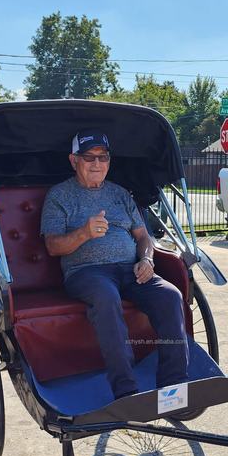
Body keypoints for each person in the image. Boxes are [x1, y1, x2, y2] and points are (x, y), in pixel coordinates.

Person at [40, 129, 189, 398]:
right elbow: (52, 246)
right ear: (74, 160)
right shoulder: (59, 196)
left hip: (131, 270)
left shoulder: (120, 194)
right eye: (89, 157)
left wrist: (146, 259)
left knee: (170, 295)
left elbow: (143, 237)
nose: (97, 164)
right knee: (106, 296)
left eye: (103, 157)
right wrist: (84, 233)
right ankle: (126, 389)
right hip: (86, 273)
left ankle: (174, 387)